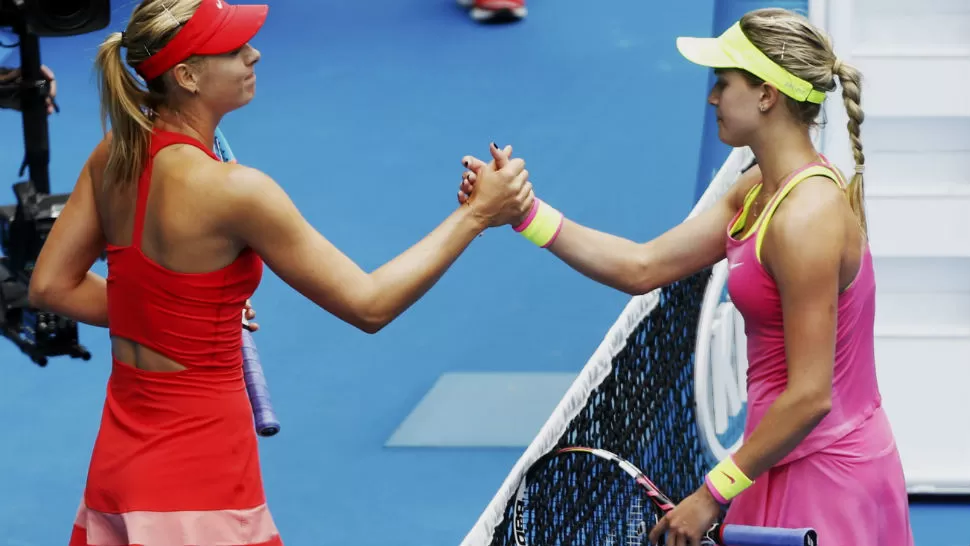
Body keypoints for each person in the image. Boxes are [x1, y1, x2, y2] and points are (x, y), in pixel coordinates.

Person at [26, 0, 533, 544]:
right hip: (199, 488)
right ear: (187, 75)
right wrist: (478, 214)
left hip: (118, 473)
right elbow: (369, 303)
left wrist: (183, 311)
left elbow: (52, 285)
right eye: (234, 48)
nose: (255, 53)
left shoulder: (114, 154)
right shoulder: (237, 192)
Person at [458, 8, 914, 546]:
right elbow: (642, 266)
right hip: (769, 458)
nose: (712, 98)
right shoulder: (757, 191)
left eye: (724, 83)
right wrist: (525, 214)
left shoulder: (805, 218)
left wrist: (710, 495)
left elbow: (812, 395)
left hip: (826, 475)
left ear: (767, 94)